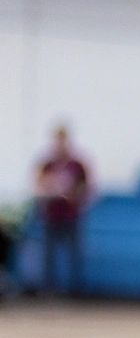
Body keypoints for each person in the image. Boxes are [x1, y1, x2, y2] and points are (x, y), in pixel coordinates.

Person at [34, 125, 90, 297]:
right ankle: (48, 288)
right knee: (48, 254)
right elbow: (39, 186)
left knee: (75, 253)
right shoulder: (47, 164)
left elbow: (85, 187)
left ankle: (75, 289)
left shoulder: (77, 165)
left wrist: (73, 194)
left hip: (71, 215)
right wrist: (50, 191)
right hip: (52, 215)